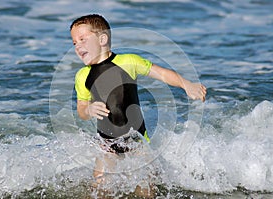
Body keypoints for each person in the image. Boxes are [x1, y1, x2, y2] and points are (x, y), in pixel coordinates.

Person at [70, 14, 207, 196]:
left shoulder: (128, 61)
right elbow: (81, 110)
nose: (77, 46)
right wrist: (89, 109)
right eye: (73, 43)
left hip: (137, 142)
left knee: (147, 191)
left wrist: (186, 84)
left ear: (102, 39)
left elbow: (162, 74)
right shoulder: (82, 76)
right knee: (99, 189)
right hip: (106, 143)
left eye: (82, 39)